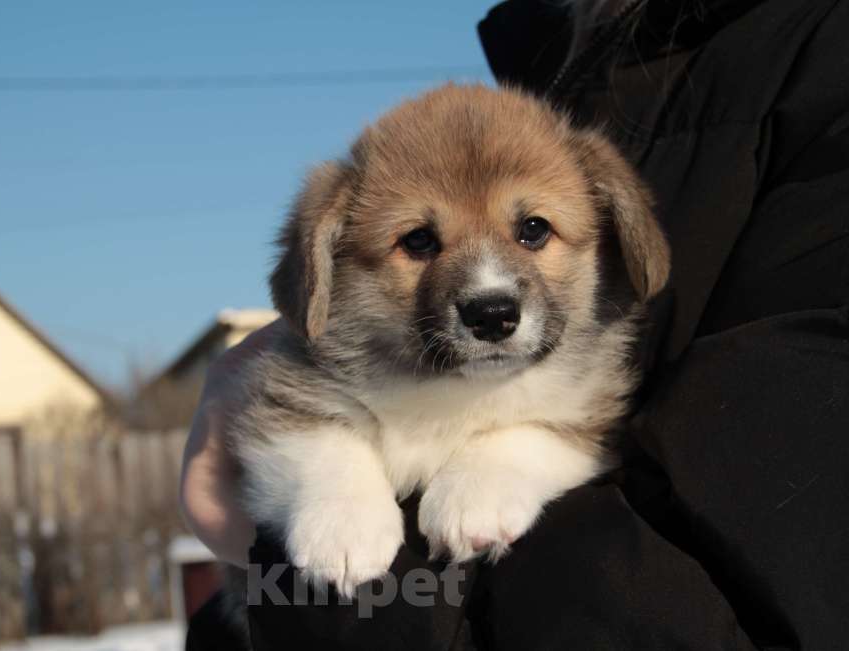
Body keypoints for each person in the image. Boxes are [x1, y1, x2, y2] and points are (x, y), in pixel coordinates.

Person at [181, 0, 849, 648]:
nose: (489, 288)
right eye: (419, 241)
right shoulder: (572, 60)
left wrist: (506, 462)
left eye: (532, 229)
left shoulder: (817, 63)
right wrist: (328, 482)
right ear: (324, 266)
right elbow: (279, 425)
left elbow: (588, 448)